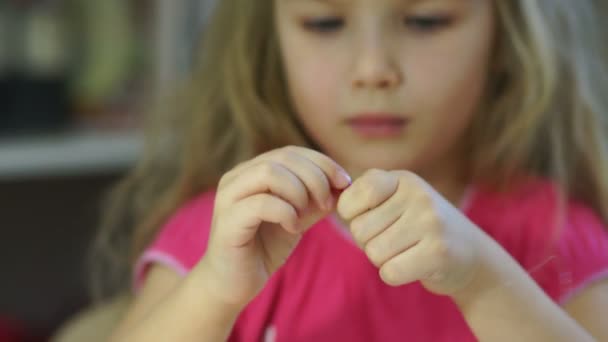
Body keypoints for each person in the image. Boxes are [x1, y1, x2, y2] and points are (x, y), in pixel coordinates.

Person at [94, 0, 608, 340]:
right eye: (324, 23)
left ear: (505, 37)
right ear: (271, 42)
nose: (373, 70)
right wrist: (213, 289)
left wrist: (482, 278)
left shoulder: (553, 228)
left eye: (426, 20)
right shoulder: (227, 231)